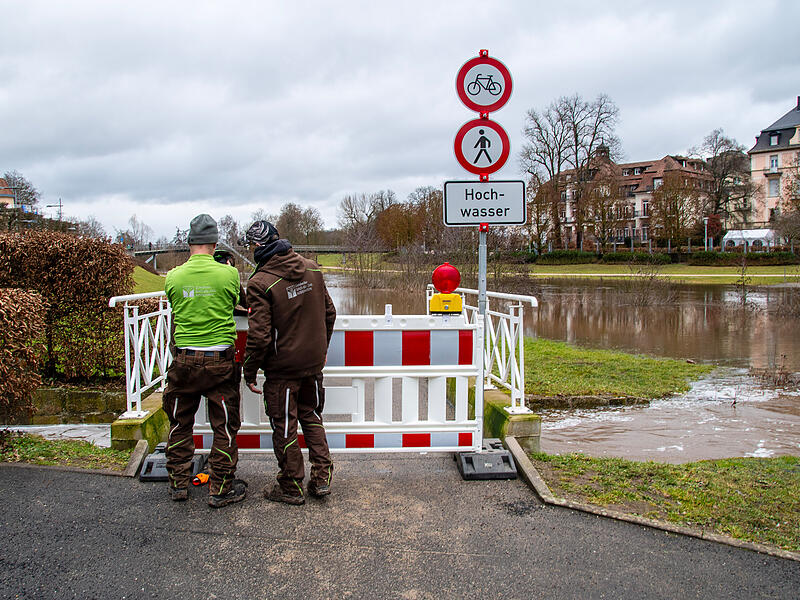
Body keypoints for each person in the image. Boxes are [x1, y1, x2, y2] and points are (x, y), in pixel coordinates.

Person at [242, 220, 336, 505]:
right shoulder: (312, 268)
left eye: (250, 246)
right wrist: (320, 348)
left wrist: (249, 370)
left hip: (282, 370)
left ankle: (291, 485)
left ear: (258, 247)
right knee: (311, 416)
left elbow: (259, 336)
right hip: (312, 364)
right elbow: (329, 313)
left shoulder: (259, 283)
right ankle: (322, 478)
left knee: (284, 425)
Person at [162, 214, 247, 508]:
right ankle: (220, 488)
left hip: (184, 362)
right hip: (220, 364)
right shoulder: (229, 275)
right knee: (223, 427)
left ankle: (178, 485)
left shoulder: (173, 277)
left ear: (189, 243)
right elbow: (238, 302)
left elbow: (179, 306)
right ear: (214, 243)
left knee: (179, 423)